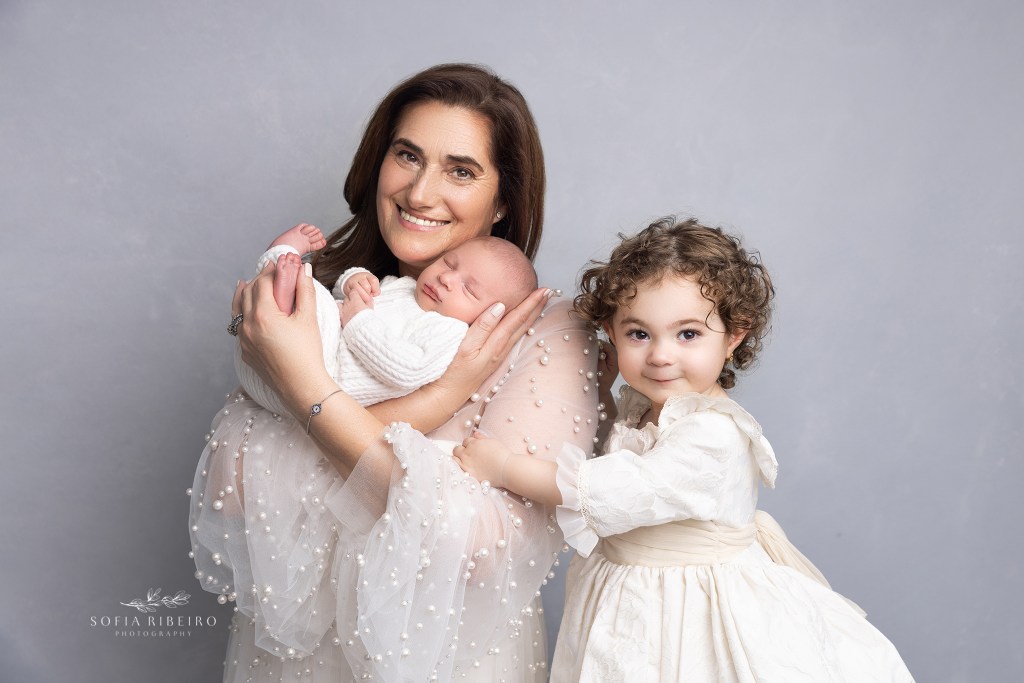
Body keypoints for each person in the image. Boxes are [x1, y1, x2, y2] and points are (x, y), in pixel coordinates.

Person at [187, 63, 600, 682]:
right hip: (294, 662)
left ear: (503, 201)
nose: (420, 192)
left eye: (460, 170)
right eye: (407, 156)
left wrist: (304, 387)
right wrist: (437, 401)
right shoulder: (322, 297)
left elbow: (484, 550)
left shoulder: (546, 330)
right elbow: (232, 483)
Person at [453, 217, 915, 681]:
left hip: (687, 605)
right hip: (625, 588)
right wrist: (604, 391)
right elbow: (603, 452)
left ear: (734, 336)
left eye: (688, 334)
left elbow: (614, 488)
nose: (660, 355)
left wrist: (504, 466)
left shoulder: (714, 435)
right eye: (638, 333)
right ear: (612, 333)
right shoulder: (642, 407)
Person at [235, 223, 538, 415]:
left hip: (322, 377)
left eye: (468, 289)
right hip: (260, 364)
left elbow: (406, 369)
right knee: (312, 294)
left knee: (310, 294)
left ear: (489, 316)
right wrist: (355, 280)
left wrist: (358, 321)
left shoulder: (450, 332)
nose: (447, 278)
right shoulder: (407, 287)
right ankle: (281, 263)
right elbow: (358, 295)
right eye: (449, 263)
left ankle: (283, 263)